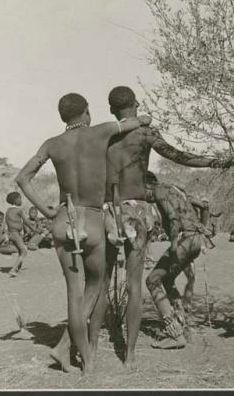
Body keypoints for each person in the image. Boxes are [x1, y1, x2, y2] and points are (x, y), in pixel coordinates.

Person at [84, 86, 234, 368]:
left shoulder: (102, 135)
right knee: (136, 285)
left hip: (107, 211)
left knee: (102, 284)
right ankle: (129, 357)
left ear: (111, 109)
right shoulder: (145, 134)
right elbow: (179, 156)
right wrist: (216, 162)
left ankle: (90, 350)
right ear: (137, 104)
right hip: (138, 212)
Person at [15, 92, 151, 375]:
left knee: (74, 295)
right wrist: (144, 118)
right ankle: (81, 352)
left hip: (64, 220)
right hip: (91, 218)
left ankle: (86, 362)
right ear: (86, 112)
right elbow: (132, 123)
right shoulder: (100, 132)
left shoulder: (51, 144)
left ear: (63, 117)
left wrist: (48, 211)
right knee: (96, 285)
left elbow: (22, 178)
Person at [144, 172, 214, 349]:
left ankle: (174, 334)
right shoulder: (176, 189)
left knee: (152, 280)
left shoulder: (159, 191)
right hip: (196, 240)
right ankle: (183, 326)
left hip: (185, 241)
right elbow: (204, 205)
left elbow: (173, 218)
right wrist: (203, 228)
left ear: (147, 185)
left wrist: (174, 246)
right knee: (167, 279)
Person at [5, 192, 35, 277]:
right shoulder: (19, 210)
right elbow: (26, 221)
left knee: (20, 251)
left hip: (11, 233)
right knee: (24, 251)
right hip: (15, 233)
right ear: (16, 200)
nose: (21, 200)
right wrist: (34, 229)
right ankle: (13, 269)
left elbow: (7, 222)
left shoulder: (8, 210)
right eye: (20, 198)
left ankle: (18, 269)